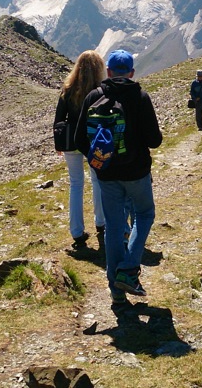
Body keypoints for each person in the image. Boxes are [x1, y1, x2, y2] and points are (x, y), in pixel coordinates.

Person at [76, 50, 163, 305]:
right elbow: (155, 141)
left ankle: (115, 289)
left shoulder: (94, 96)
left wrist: (99, 161)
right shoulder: (141, 97)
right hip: (137, 172)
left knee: (114, 227)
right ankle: (128, 267)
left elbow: (80, 138)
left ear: (109, 73)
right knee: (145, 214)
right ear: (132, 73)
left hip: (106, 175)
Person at [54, 50, 107, 250]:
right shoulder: (99, 90)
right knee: (98, 181)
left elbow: (59, 119)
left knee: (76, 185)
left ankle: (77, 232)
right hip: (94, 142)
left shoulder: (68, 89)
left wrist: (59, 144)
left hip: (70, 143)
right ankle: (101, 223)